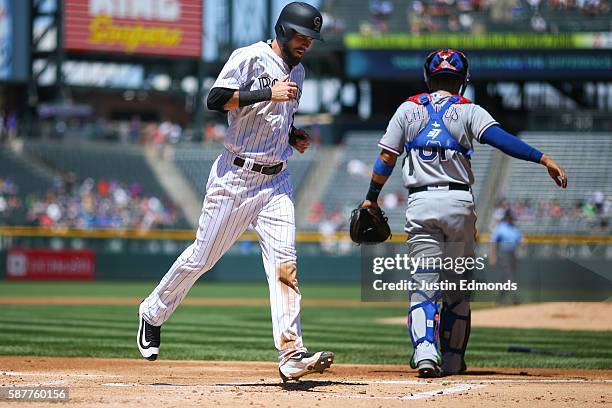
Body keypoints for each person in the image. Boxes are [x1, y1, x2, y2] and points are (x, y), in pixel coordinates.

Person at [136, 2, 333, 383]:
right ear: (283, 30)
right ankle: (152, 311)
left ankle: (291, 353)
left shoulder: (301, 72)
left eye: (311, 38)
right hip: (236, 178)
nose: (307, 43)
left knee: (285, 264)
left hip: (276, 182)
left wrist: (294, 136)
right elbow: (213, 100)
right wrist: (264, 93)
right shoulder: (249, 57)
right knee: (202, 258)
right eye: (302, 35)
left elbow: (279, 118)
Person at [360, 49, 567, 377]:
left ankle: (426, 351)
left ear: (428, 78)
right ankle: (454, 359)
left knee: (423, 283)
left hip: (421, 203)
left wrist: (371, 198)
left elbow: (386, 158)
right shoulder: (469, 110)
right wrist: (542, 158)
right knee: (457, 288)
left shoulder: (408, 109)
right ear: (463, 81)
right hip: (458, 204)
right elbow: (501, 140)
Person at [490, 210, 523, 304]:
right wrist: (493, 256)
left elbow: (519, 238)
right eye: (511, 218)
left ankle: (499, 299)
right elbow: (494, 242)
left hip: (513, 253)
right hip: (503, 254)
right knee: (509, 276)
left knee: (506, 278)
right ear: (507, 217)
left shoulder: (514, 228)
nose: (513, 220)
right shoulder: (501, 227)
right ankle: (515, 297)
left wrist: (522, 241)